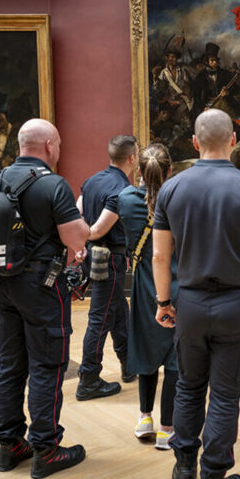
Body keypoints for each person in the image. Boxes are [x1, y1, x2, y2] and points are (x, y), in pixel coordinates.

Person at [152, 109, 240, 479]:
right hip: (237, 305)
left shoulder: (171, 188)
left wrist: (164, 302)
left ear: (195, 142)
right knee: (225, 396)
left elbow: (160, 255)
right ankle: (213, 476)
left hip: (190, 304)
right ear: (232, 141)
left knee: (189, 387)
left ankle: (183, 468)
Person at [0, 118, 89, 478]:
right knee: (47, 365)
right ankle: (46, 448)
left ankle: (10, 445)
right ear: (48, 146)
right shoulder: (53, 185)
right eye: (58, 145)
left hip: (0, 284)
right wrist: (84, 224)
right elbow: (77, 239)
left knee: (12, 362)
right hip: (41, 287)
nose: (58, 151)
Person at [92, 143, 180, 450]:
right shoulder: (178, 197)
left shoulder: (123, 198)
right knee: (174, 357)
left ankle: (145, 418)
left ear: (138, 170)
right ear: (170, 170)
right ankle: (168, 429)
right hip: (177, 280)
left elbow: (95, 230)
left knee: (144, 347)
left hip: (143, 282)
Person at [75, 135, 138, 401]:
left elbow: (76, 212)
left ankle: (128, 363)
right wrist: (88, 238)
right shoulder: (121, 190)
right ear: (132, 158)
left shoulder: (92, 181)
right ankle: (88, 379)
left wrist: (80, 243)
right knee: (99, 319)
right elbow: (98, 229)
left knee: (118, 310)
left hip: (94, 257)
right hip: (109, 259)